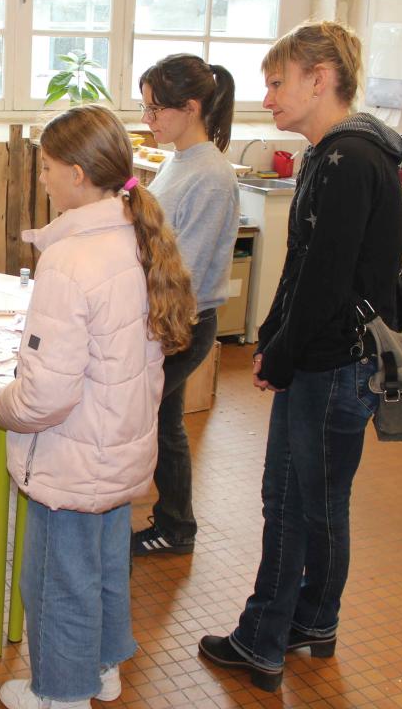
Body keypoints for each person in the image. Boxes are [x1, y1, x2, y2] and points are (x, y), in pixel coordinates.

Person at [197, 20, 402, 692]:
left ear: (319, 80)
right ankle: (314, 619)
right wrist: (273, 336)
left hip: (333, 365)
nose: (267, 97)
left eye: (277, 82)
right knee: (318, 501)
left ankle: (262, 641)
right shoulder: (336, 154)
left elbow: (325, 281)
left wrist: (282, 354)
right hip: (327, 360)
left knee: (292, 502)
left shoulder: (350, 161)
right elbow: (304, 267)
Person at [0, 104, 196, 709]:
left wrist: (3, 405)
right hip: (118, 448)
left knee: (57, 579)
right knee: (105, 566)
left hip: (72, 456)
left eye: (47, 168)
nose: (43, 179)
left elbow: (46, 396)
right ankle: (103, 670)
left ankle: (60, 693)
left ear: (77, 174)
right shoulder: (138, 237)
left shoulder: (69, 259)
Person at [130, 54, 239, 557]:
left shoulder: (212, 174)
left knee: (144, 414)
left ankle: (173, 525)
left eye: (155, 110)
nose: (147, 119)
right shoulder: (178, 160)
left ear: (190, 107)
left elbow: (184, 269)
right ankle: (177, 525)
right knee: (165, 421)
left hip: (182, 323)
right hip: (164, 316)